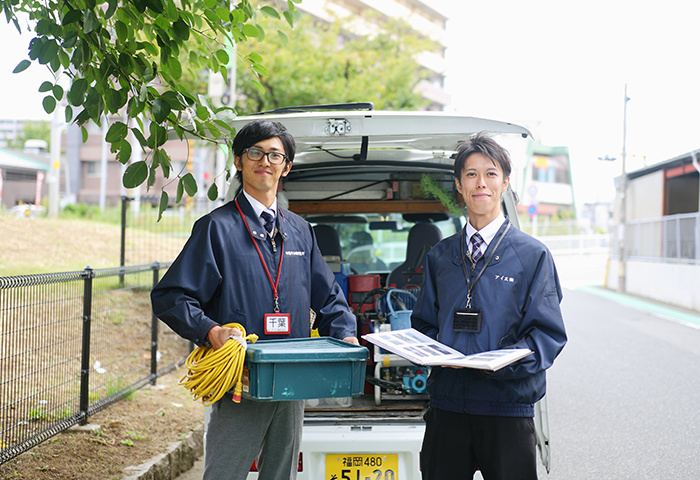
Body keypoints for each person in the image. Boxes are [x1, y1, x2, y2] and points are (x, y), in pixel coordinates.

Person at [151, 119, 358, 480]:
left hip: (293, 377)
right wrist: (210, 331)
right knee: (225, 473)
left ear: (286, 167)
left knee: (280, 473)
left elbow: (330, 297)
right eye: (255, 152)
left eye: (275, 155)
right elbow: (171, 295)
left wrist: (345, 334)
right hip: (240, 378)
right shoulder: (217, 228)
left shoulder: (299, 231)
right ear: (239, 161)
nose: (265, 161)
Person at [411, 133, 567, 480]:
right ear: (459, 185)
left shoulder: (532, 255)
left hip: (507, 408)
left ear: (506, 183)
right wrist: (438, 352)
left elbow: (547, 335)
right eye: (471, 174)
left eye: (491, 173)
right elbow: (423, 324)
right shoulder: (441, 256)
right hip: (447, 406)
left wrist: (500, 364)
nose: (481, 183)